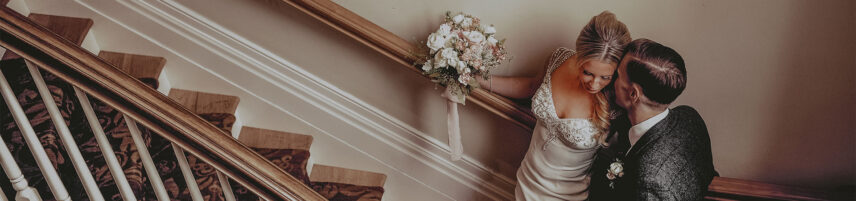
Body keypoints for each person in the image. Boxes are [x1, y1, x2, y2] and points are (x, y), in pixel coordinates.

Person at [479, 11, 631, 201]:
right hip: (528, 180)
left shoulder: (617, 98)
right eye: (588, 73)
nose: (594, 84)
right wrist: (480, 81)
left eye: (605, 77)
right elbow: (530, 87)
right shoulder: (560, 59)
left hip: (569, 195)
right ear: (580, 55)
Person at [588, 39, 717, 201]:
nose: (612, 80)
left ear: (633, 94)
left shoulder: (650, 186)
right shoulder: (689, 116)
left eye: (618, 75)